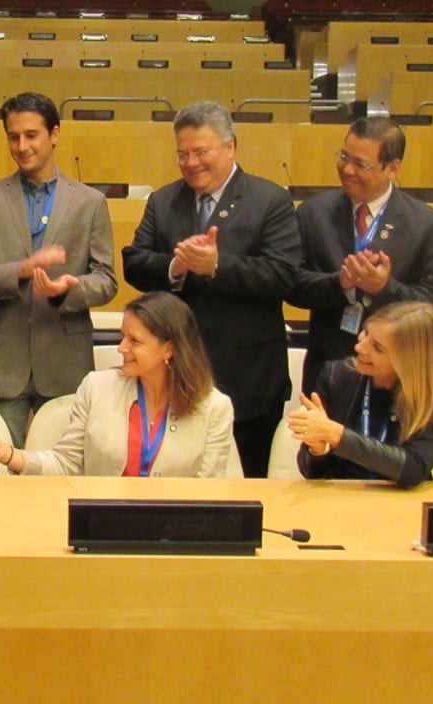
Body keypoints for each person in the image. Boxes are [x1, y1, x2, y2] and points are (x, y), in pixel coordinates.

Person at [122, 100, 301, 478]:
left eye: (201, 152)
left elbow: (283, 275)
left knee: (243, 489)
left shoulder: (270, 200)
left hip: (246, 378)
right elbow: (135, 262)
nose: (191, 163)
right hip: (174, 375)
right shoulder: (164, 200)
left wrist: (218, 266)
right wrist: (176, 266)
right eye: (183, 154)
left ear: (230, 146)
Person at [0, 92, 118, 446]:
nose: (21, 146)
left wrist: (68, 290)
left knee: (64, 473)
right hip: (1, 365)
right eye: (13, 136)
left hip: (64, 363)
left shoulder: (89, 202)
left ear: (54, 133)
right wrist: (20, 270)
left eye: (31, 135)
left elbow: (106, 280)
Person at [0, 292, 233, 477]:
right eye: (123, 336)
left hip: (176, 536)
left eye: (135, 341)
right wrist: (10, 455)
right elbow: (66, 463)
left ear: (169, 348)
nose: (122, 348)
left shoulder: (214, 408)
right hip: (100, 528)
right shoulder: (97, 388)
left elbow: (208, 491)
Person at [289, 117, 433, 395]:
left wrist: (384, 288)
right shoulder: (312, 213)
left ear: (393, 168)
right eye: (343, 157)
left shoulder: (427, 223)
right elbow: (291, 285)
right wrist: (339, 282)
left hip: (397, 372)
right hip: (328, 365)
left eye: (361, 164)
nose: (347, 169)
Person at [288, 301, 433, 489]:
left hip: (403, 503)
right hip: (342, 498)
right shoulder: (336, 376)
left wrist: (338, 436)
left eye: (377, 347)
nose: (360, 348)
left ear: (409, 360)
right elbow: (312, 472)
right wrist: (318, 449)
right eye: (366, 333)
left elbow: (413, 468)